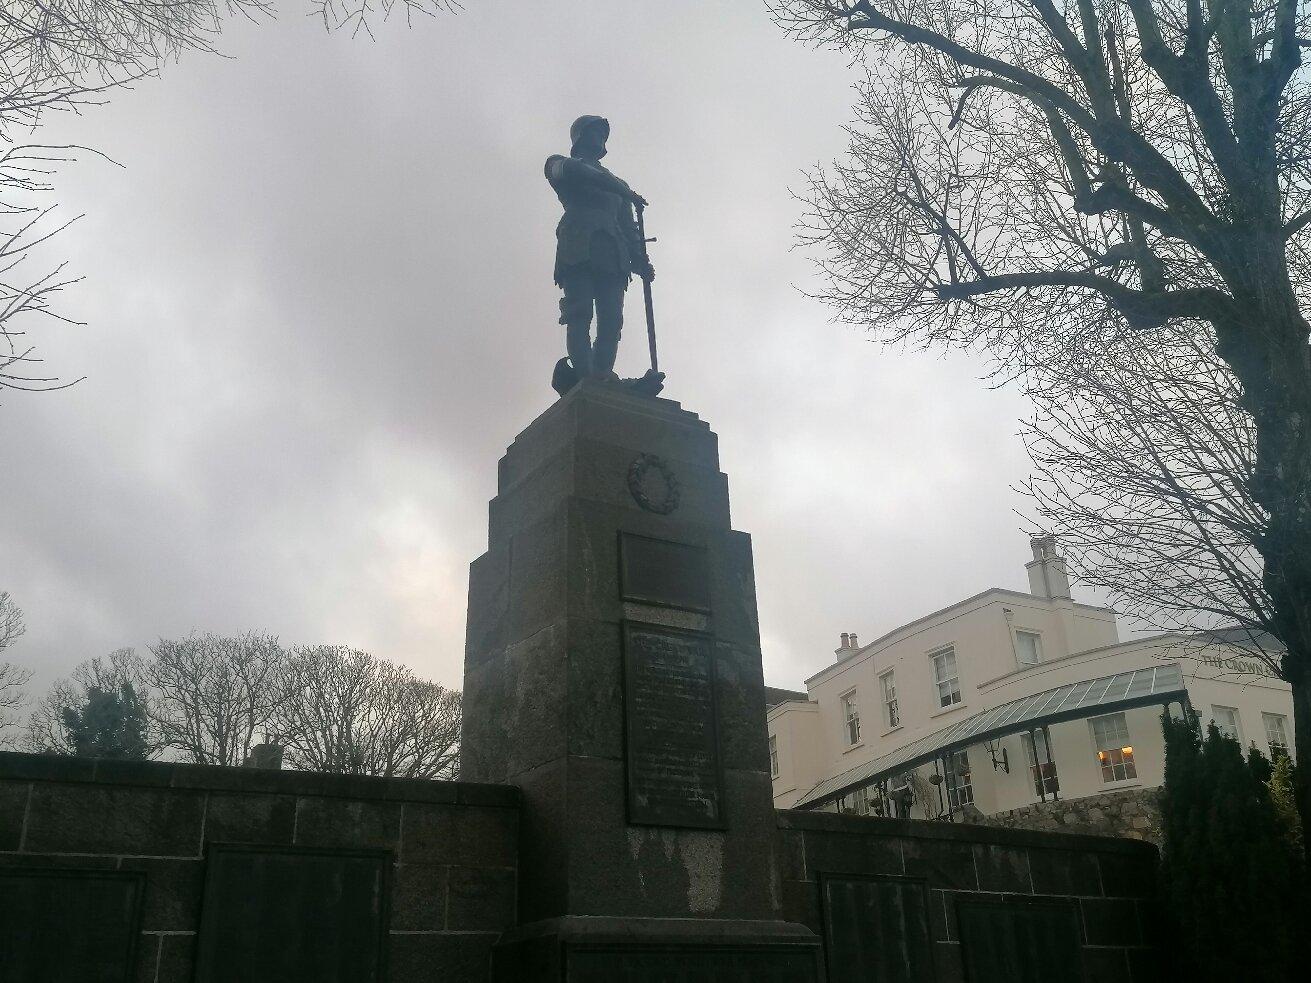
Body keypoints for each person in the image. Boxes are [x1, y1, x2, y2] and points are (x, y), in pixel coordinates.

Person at [545, 115, 654, 384]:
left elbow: (628, 229)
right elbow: (578, 171)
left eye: (603, 134)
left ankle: (603, 375)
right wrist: (623, 190)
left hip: (614, 252)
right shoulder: (558, 163)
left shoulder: (620, 187)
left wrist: (641, 261)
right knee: (579, 311)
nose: (601, 138)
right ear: (581, 136)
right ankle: (585, 375)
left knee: (612, 319)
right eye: (596, 132)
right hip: (577, 244)